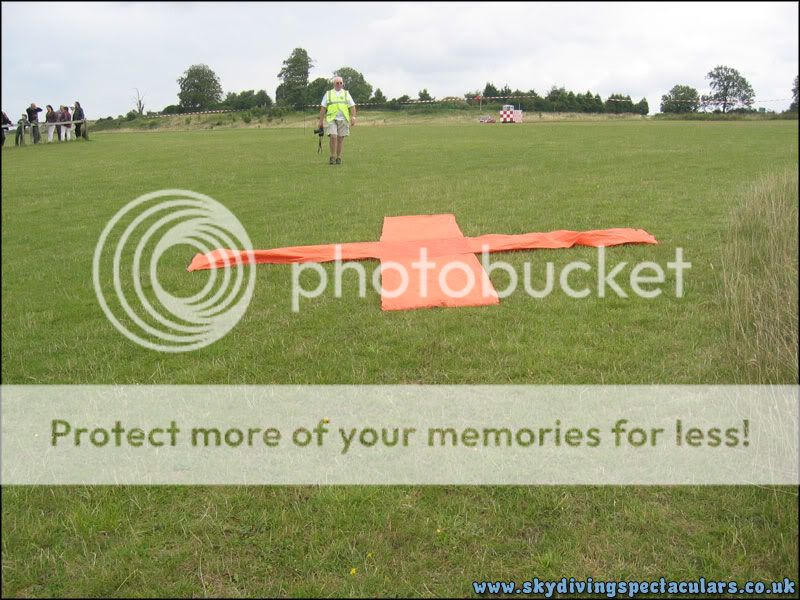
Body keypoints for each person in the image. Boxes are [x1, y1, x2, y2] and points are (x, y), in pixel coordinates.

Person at [318, 76, 357, 165]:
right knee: (333, 136)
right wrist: (320, 121)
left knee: (340, 139)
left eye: (340, 83)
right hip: (332, 119)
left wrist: (353, 117)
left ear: (342, 84)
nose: (339, 84)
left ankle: (338, 157)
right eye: (337, 83)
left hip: (343, 120)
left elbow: (352, 106)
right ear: (334, 84)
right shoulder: (328, 94)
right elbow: (323, 108)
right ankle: (332, 156)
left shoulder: (346, 94)